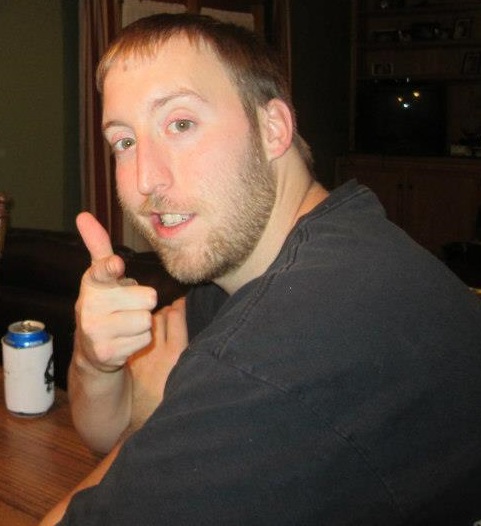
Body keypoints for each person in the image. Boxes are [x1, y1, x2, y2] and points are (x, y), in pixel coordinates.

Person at [41, 13, 481, 526]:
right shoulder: (297, 252)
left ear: (273, 128)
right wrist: (97, 362)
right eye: (124, 141)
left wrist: (153, 426)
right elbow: (112, 424)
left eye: (180, 124)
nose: (145, 180)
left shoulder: (287, 343)